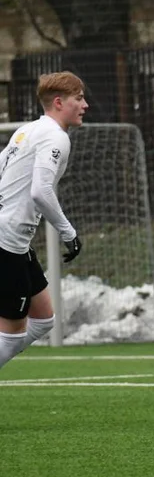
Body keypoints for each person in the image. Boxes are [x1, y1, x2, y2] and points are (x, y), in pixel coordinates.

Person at [0, 71, 86, 370]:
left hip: (15, 242)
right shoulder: (55, 137)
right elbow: (40, 191)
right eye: (79, 98)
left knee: (43, 319)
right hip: (7, 240)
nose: (85, 105)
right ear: (59, 102)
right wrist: (68, 232)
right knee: (12, 335)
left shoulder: (27, 130)